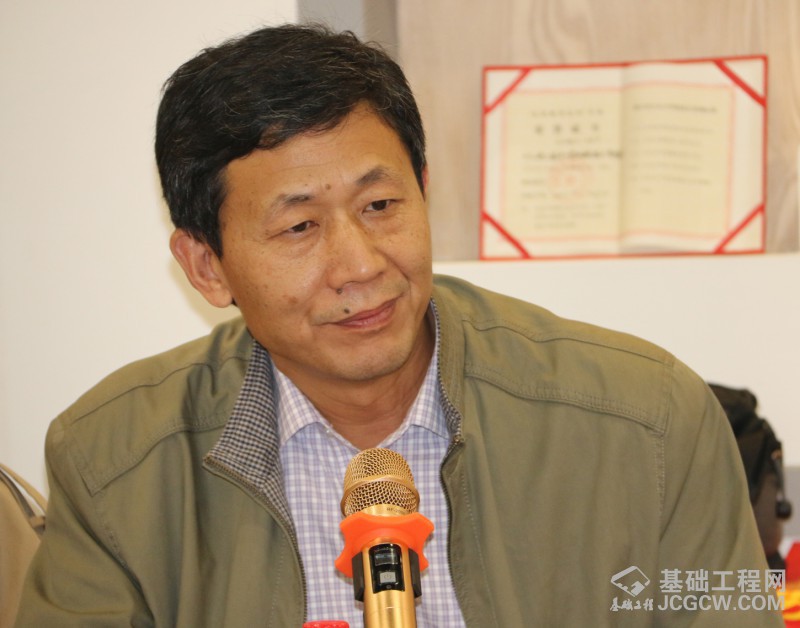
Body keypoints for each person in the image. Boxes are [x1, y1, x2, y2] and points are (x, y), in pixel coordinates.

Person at [15, 24, 783, 627]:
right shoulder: (112, 466)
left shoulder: (652, 421)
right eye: (299, 227)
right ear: (207, 265)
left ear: (423, 189)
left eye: (381, 206)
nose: (360, 264)